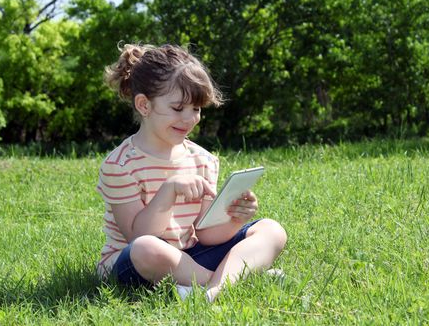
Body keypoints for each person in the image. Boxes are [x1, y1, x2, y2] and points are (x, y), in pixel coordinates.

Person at [96, 44, 287, 302]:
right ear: (144, 105)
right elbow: (137, 236)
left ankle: (211, 290)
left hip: (189, 255)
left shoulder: (203, 159)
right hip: (136, 264)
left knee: (271, 229)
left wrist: (235, 219)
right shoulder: (120, 165)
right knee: (147, 248)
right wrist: (169, 190)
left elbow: (206, 234)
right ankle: (231, 277)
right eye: (178, 108)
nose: (190, 119)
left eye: (196, 109)